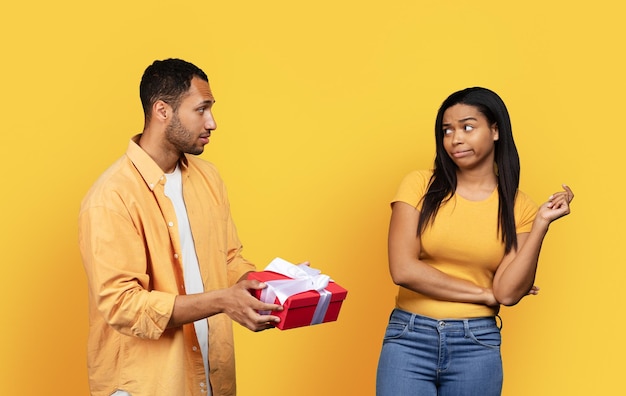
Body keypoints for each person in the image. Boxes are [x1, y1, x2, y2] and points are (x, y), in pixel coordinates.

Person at [78, 58, 284, 396]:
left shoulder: (209, 178)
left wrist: (277, 287)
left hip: (210, 378)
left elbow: (230, 261)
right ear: (162, 111)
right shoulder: (111, 196)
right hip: (146, 385)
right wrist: (223, 301)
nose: (212, 122)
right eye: (201, 109)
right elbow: (123, 305)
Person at [375, 87, 574, 396]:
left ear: (495, 130)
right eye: (447, 130)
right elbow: (403, 270)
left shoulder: (518, 207)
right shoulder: (419, 185)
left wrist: (540, 225)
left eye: (468, 127)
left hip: (477, 342)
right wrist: (484, 293)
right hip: (409, 337)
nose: (456, 139)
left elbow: (507, 294)